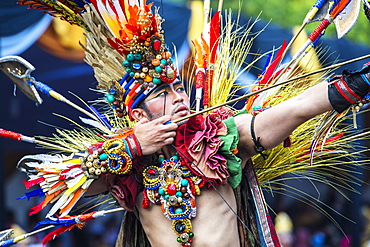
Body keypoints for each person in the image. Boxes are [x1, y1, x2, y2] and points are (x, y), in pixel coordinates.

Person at [10, 0, 370, 247]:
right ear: (136, 115)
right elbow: (54, 189)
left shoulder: (219, 136)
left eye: (179, 87)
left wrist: (358, 83)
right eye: (163, 92)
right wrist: (133, 146)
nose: (180, 97)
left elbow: (297, 108)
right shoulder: (124, 165)